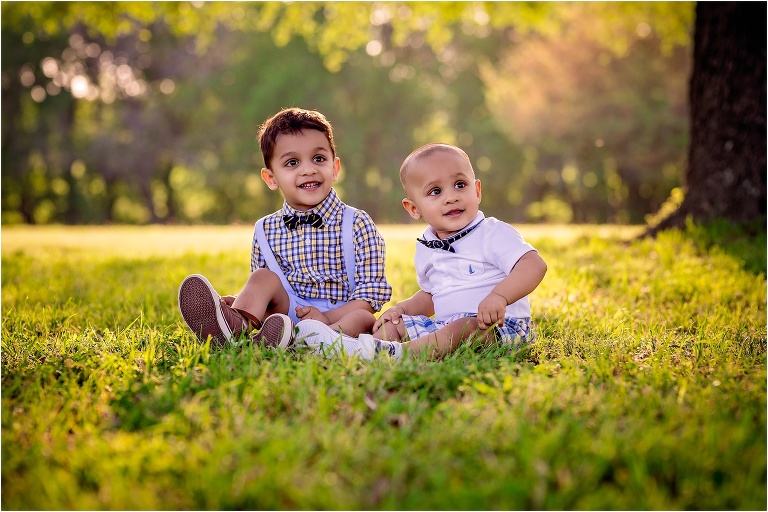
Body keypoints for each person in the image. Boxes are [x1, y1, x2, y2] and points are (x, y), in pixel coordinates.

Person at [294, 142, 546, 360]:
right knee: (390, 326)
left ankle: (399, 354)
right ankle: (347, 346)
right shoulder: (427, 245)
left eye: (460, 185)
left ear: (477, 190)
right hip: (445, 326)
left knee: (464, 327)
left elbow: (533, 265)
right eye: (435, 192)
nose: (451, 197)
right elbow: (430, 296)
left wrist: (499, 297)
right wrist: (401, 310)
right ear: (414, 209)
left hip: (498, 327)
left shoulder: (491, 232)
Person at [178, 107, 392, 349]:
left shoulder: (357, 223)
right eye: (292, 162)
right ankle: (234, 326)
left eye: (319, 159)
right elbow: (270, 293)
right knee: (261, 278)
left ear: (335, 167)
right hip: (287, 316)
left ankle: (316, 341)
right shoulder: (265, 230)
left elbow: (371, 296)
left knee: (364, 318)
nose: (308, 169)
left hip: (342, 318)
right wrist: (243, 303)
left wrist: (325, 320)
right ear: (271, 178)